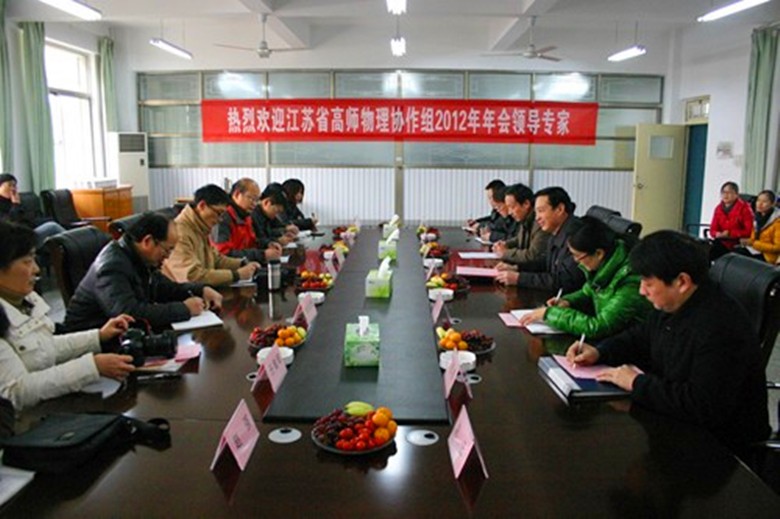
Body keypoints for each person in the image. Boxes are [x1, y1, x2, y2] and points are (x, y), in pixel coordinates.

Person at [567, 230, 770, 456]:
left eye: (648, 283)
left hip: (719, 449)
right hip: (674, 422)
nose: (641, 291)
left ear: (682, 282)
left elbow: (702, 406)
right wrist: (600, 351)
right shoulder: (675, 303)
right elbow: (639, 337)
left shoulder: (720, 327)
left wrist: (636, 383)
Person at [0, 221, 135, 410]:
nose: (36, 269)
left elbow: (45, 348)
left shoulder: (24, 301)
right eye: (27, 262)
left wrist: (98, 336)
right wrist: (91, 367)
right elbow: (16, 392)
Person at [64, 211, 223, 333]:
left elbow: (164, 287)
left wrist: (201, 289)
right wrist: (184, 309)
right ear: (148, 241)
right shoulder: (112, 265)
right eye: (167, 250)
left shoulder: (138, 256)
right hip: (91, 342)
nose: (168, 257)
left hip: (125, 336)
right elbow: (129, 313)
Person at [518, 217, 651, 339]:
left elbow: (597, 327)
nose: (576, 261)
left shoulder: (630, 282)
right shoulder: (605, 264)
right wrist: (568, 301)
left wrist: (549, 314)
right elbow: (588, 291)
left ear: (598, 253)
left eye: (577, 256)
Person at [164, 185, 260, 286]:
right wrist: (236, 275)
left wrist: (241, 263)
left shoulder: (200, 227)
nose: (220, 220)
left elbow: (215, 259)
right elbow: (191, 276)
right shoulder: (180, 233)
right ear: (202, 206)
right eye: (218, 213)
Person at [496, 186, 585, 295]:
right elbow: (546, 262)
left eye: (541, 211)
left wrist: (520, 278)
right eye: (536, 212)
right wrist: (517, 268)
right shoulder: (556, 230)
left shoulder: (576, 235)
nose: (537, 218)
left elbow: (564, 281)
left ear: (560, 209)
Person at [0, 173, 65, 266]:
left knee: (52, 228)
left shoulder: (12, 201)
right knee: (52, 227)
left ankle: (67, 257)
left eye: (14, 186)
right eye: (9, 185)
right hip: (15, 241)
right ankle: (74, 246)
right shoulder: (12, 203)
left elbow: (27, 220)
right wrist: (16, 205)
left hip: (28, 234)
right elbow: (11, 223)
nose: (13, 189)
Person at [213, 178, 283, 263]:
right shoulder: (223, 218)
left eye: (256, 200)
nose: (254, 204)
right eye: (251, 199)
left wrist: (267, 244)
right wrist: (262, 254)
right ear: (237, 194)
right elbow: (223, 254)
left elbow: (252, 241)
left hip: (246, 264)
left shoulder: (246, 216)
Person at [492, 183, 550, 267]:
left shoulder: (540, 223)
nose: (510, 212)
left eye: (512, 207)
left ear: (526, 204)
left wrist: (505, 253)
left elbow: (533, 256)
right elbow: (519, 239)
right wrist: (505, 244)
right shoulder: (525, 219)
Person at [709, 181, 753, 259]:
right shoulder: (718, 208)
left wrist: (730, 233)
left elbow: (749, 231)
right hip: (722, 241)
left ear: (736, 194)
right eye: (723, 192)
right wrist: (717, 233)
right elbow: (712, 229)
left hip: (737, 243)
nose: (726, 195)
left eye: (729, 192)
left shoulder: (745, 208)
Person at [739, 189, 779, 264]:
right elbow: (753, 239)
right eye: (758, 200)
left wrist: (754, 244)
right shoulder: (757, 217)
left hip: (768, 256)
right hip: (755, 250)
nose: (759, 204)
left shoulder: (777, 222)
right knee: (734, 254)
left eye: (764, 202)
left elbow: (777, 247)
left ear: (773, 204)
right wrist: (748, 241)